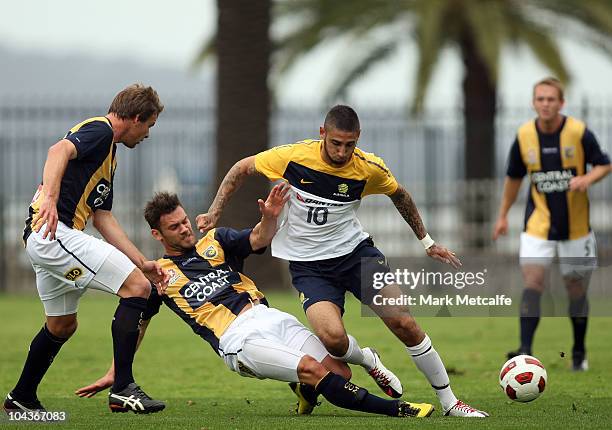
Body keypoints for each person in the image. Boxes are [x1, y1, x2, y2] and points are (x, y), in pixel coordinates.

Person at [195, 105, 488, 417]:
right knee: (333, 340)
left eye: (349, 144)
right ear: (322, 133)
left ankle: (450, 402)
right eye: (336, 143)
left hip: (355, 256)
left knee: (403, 321)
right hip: (309, 267)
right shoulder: (293, 157)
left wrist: (427, 242)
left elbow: (400, 195)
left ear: (357, 138)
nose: (342, 151)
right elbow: (241, 168)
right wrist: (214, 211)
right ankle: (367, 359)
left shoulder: (367, 168)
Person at [76, 186, 436, 418]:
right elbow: (139, 323)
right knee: (316, 370)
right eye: (175, 227)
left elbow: (260, 239)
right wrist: (117, 371)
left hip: (268, 316)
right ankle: (398, 411)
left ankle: (354, 366)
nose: (185, 229)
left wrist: (270, 217)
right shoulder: (159, 275)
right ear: (157, 234)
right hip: (239, 341)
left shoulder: (215, 241)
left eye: (185, 221)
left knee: (340, 371)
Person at [3, 84, 168, 415]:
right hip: (55, 235)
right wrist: (49, 198)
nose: (148, 133)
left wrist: (141, 260)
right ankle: (123, 389)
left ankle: (21, 398)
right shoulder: (100, 131)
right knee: (138, 289)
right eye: (149, 125)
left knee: (62, 325)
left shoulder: (110, 156)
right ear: (136, 118)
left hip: (51, 239)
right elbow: (57, 151)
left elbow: (102, 217)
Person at [493, 77, 610, 370]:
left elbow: (605, 164)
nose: (545, 104)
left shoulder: (579, 132)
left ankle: (579, 352)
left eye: (551, 99)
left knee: (575, 291)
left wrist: (587, 178)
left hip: (577, 228)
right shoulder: (523, 136)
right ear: (534, 103)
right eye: (540, 99)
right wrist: (503, 215)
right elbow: (513, 179)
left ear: (561, 103)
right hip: (538, 226)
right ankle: (525, 351)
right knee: (533, 282)